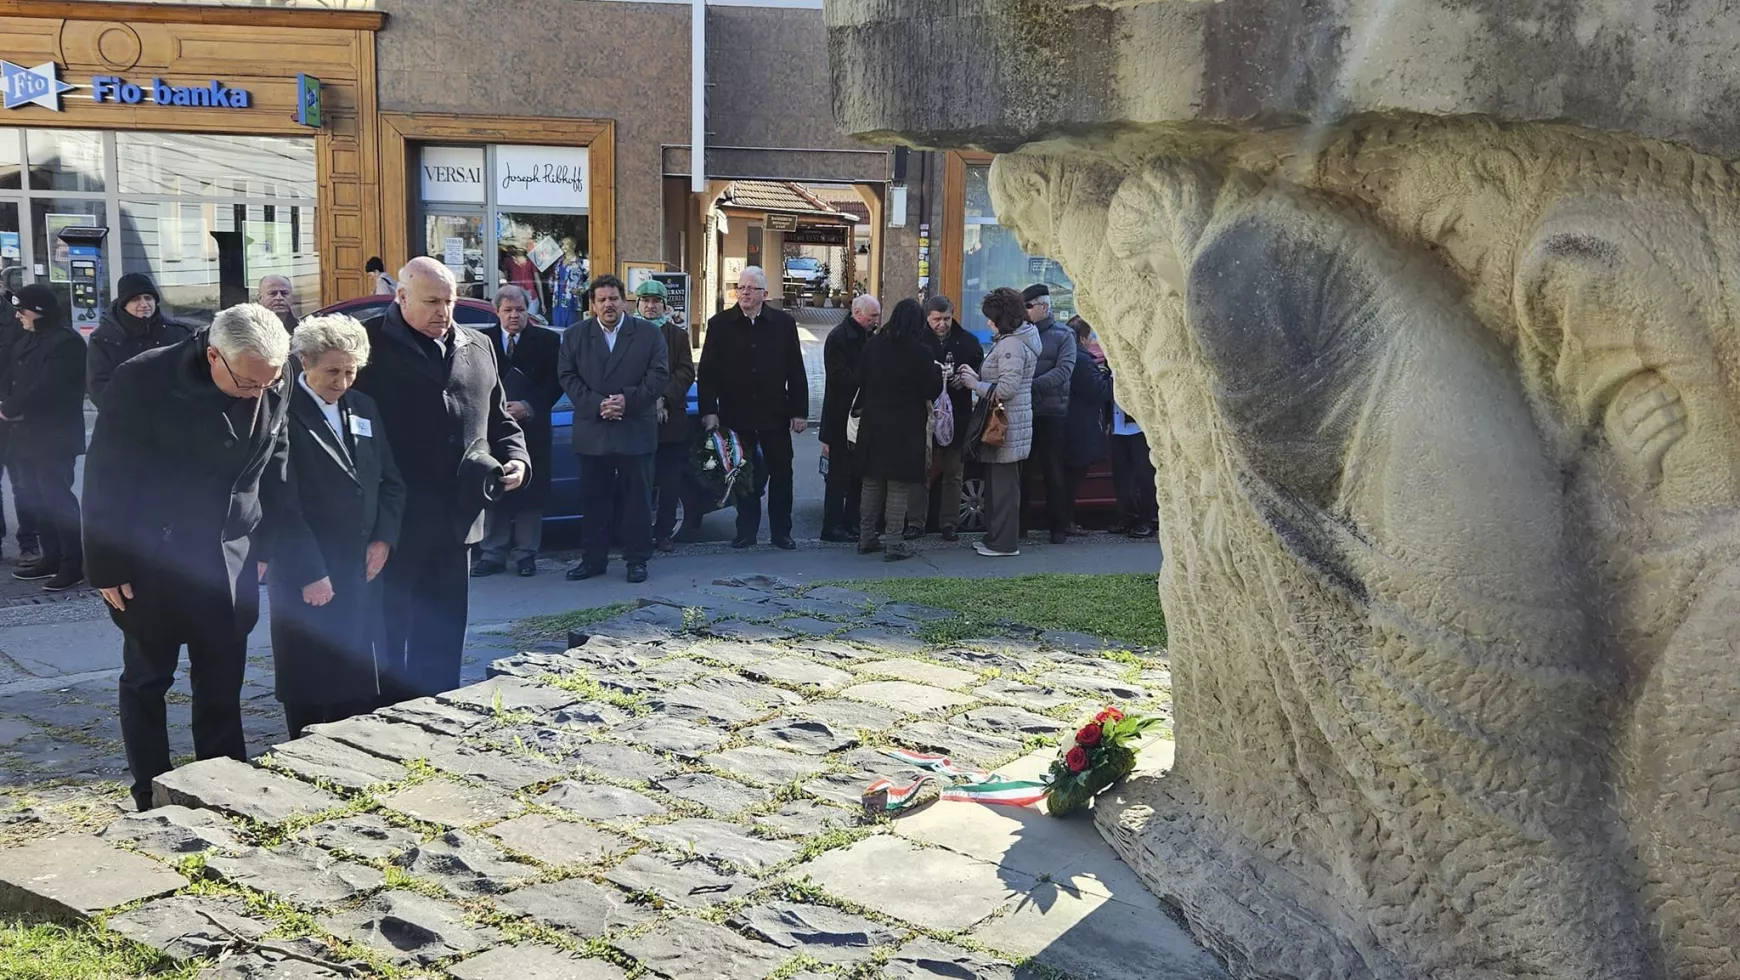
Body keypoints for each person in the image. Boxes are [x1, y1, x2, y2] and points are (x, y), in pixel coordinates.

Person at [83, 303, 295, 811]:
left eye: (269, 383)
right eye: (247, 384)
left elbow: (277, 455)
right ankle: (150, 791)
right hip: (151, 556)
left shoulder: (269, 373)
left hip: (231, 552)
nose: (259, 393)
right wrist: (107, 564)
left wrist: (269, 541)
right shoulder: (144, 378)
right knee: (147, 678)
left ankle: (222, 784)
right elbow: (107, 474)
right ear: (214, 356)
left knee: (222, 677)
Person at [352, 257, 529, 701]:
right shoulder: (366, 347)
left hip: (458, 520)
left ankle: (440, 714)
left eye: (448, 301)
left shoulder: (478, 345)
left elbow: (501, 421)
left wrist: (518, 461)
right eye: (431, 301)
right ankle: (389, 717)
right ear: (401, 296)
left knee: (445, 631)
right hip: (396, 523)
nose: (442, 312)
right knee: (391, 634)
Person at [268, 315, 405, 737]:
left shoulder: (363, 407)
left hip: (361, 566)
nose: (342, 381)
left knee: (358, 674)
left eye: (350, 371)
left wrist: (384, 540)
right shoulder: (280, 410)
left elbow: (390, 482)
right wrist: (308, 572)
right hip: (307, 571)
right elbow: (278, 502)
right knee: (312, 677)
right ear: (304, 361)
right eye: (332, 371)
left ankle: (356, 749)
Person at [558, 275, 668, 583]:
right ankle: (593, 559)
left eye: (614, 298)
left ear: (624, 301)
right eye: (602, 299)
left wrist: (626, 400)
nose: (609, 304)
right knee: (594, 500)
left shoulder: (647, 334)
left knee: (637, 500)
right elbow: (567, 376)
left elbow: (659, 375)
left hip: (634, 427)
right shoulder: (575, 335)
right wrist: (597, 404)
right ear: (593, 305)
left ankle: (637, 560)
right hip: (594, 430)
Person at [697, 266, 808, 550]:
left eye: (751, 288)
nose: (745, 293)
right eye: (741, 287)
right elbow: (708, 372)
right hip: (737, 414)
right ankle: (746, 531)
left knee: (782, 474)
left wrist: (799, 411)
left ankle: (781, 532)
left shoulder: (783, 324)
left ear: (765, 294)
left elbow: (796, 370)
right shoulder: (720, 324)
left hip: (775, 413)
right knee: (743, 474)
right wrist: (709, 409)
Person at [2, 285, 85, 591]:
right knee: (39, 501)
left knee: (58, 500)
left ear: (39, 311)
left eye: (22, 310)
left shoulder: (66, 342)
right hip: (27, 434)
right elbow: (16, 377)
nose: (18, 315)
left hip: (54, 436)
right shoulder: (31, 338)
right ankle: (51, 557)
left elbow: (50, 387)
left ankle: (72, 564)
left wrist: (10, 408)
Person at [474, 286, 561, 577]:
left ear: (528, 311)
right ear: (497, 311)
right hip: (491, 428)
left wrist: (529, 405)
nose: (514, 316)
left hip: (532, 429)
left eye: (520, 310)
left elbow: (555, 382)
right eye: (508, 310)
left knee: (530, 494)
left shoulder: (547, 340)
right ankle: (492, 553)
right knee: (494, 488)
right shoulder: (480, 340)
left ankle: (526, 554)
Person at [856, 299, 944, 561]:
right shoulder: (921, 352)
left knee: (871, 484)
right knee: (898, 487)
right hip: (905, 428)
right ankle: (894, 543)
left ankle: (866, 537)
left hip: (873, 424)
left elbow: (860, 378)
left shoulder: (873, 346)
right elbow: (931, 389)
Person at [957, 287, 1039, 557]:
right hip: (1010, 422)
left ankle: (1004, 543)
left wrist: (974, 384)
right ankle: (995, 538)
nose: (988, 322)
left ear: (1002, 318)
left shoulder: (1011, 345)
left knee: (1003, 488)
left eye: (991, 317)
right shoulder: (1017, 339)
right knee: (998, 485)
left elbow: (1007, 388)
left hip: (1006, 424)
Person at [906, 295, 984, 542]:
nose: (942, 324)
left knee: (954, 473)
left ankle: (950, 524)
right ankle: (915, 522)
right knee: (920, 472)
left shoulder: (968, 342)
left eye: (947, 319)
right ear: (927, 317)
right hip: (924, 415)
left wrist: (966, 378)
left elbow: (979, 372)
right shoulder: (916, 340)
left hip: (957, 415)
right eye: (936, 319)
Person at [637, 279, 700, 550]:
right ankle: (638, 535)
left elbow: (686, 371)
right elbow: (626, 372)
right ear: (637, 304)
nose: (651, 307)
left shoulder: (677, 335)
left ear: (665, 305)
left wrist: (664, 398)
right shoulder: (629, 332)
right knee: (638, 483)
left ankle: (663, 533)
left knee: (669, 482)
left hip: (670, 420)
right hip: (638, 420)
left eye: (656, 302)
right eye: (646, 301)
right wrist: (649, 401)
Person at [819, 294, 879, 543]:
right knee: (838, 476)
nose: (876, 320)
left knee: (857, 474)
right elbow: (839, 378)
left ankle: (851, 521)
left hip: (860, 415)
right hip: (840, 416)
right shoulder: (838, 338)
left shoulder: (868, 337)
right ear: (857, 312)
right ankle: (832, 526)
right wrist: (865, 375)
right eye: (872, 316)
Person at [87, 272, 192, 410]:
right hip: (125, 421)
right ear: (124, 304)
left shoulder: (178, 333)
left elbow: (191, 377)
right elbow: (99, 387)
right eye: (136, 299)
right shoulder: (103, 339)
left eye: (148, 298)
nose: (144, 304)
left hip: (171, 419)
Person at [1020, 283, 1076, 544]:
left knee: (1053, 470)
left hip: (1052, 412)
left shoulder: (1064, 335)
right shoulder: (1019, 334)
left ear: (1044, 307)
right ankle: (1020, 526)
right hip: (1026, 410)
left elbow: (1064, 370)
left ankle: (1058, 527)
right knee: (1022, 471)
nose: (1025, 311)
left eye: (1028, 306)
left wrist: (1031, 386)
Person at [1062, 315, 1112, 535]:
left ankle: (1064, 521)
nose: (1092, 340)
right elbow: (1098, 391)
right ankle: (1066, 522)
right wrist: (1113, 378)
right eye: (1091, 335)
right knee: (1073, 477)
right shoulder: (1082, 360)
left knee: (1069, 477)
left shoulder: (1069, 355)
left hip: (1070, 424)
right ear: (1083, 337)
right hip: (1080, 426)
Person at [0, 285, 39, 564]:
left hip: (14, 411)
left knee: (23, 481)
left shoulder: (15, 313)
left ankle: (29, 541)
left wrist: (16, 403)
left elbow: (31, 362)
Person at [1110, 401, 1159, 539]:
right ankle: (1128, 516)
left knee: (1145, 476)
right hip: (1116, 426)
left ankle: (1150, 520)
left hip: (1139, 427)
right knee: (1121, 477)